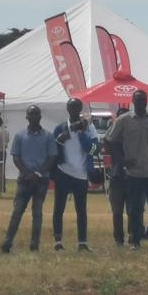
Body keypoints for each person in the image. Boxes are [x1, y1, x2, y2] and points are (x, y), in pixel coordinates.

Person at [107, 89, 148, 250]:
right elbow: (111, 141)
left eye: (143, 100)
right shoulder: (123, 120)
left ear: (147, 101)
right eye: (138, 100)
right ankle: (135, 241)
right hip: (133, 173)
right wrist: (122, 160)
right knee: (135, 209)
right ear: (132, 101)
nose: (141, 103)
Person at [1, 105, 57, 253]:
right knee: (17, 211)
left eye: (36, 114)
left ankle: (34, 244)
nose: (34, 116)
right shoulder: (20, 136)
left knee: (37, 213)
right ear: (27, 117)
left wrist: (38, 173)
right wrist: (27, 173)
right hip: (24, 179)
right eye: (31, 114)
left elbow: (52, 157)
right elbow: (16, 157)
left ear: (40, 116)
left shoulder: (48, 136)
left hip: (41, 180)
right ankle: (7, 242)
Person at [52, 97, 98, 252]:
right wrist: (59, 141)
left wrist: (83, 134)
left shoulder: (89, 128)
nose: (74, 110)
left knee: (81, 209)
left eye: (77, 108)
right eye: (71, 108)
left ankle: (82, 242)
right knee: (59, 208)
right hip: (64, 171)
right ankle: (58, 241)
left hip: (81, 173)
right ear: (67, 109)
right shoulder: (60, 127)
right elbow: (53, 149)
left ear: (80, 110)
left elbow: (95, 149)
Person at [105, 108, 136, 247]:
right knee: (117, 211)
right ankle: (118, 239)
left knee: (132, 210)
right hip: (117, 176)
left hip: (133, 176)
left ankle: (132, 237)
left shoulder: (134, 134)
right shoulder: (112, 135)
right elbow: (105, 144)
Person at [0, 117, 10, 194]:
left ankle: (0, 187)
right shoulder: (6, 131)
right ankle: (2, 186)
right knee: (2, 170)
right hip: (4, 151)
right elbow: (8, 140)